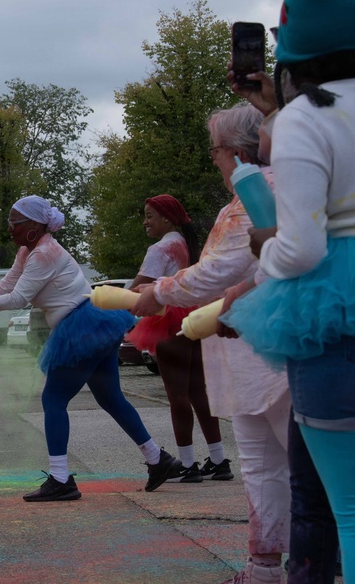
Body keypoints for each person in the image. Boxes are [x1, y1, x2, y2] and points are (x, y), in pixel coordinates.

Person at [222, 0, 355, 584]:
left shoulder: (308, 119)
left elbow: (301, 250)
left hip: (334, 312)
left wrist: (264, 246)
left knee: (345, 510)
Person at [131, 104, 291, 584]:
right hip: (245, 357)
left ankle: (316, 563)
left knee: (304, 468)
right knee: (262, 465)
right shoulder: (240, 200)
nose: (214, 161)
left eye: (215, 152)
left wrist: (157, 293)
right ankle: (263, 568)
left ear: (236, 151)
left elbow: (221, 271)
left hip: (273, 355)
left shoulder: (262, 193)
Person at [0, 195, 180, 502]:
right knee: (110, 397)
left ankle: (61, 479)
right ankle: (156, 458)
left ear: (33, 226)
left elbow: (18, 299)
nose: (9, 229)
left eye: (14, 223)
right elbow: (7, 286)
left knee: (54, 398)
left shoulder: (44, 253)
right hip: (93, 324)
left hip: (81, 327)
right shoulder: (28, 251)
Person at [124, 195, 230, 483]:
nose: (145, 221)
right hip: (195, 318)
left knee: (177, 395)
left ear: (167, 218)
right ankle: (219, 460)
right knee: (198, 391)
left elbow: (135, 290)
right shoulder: (185, 244)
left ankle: (186, 463)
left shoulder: (160, 248)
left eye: (149, 215)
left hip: (168, 320)